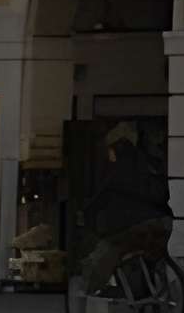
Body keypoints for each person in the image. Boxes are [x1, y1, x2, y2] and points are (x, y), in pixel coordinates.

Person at [73, 120, 172, 299]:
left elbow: (99, 200)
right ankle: (151, 295)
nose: (108, 154)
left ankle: (90, 294)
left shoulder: (118, 170)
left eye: (109, 150)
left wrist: (85, 216)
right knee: (146, 255)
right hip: (163, 224)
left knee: (106, 251)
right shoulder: (146, 162)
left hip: (138, 227)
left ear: (115, 149)